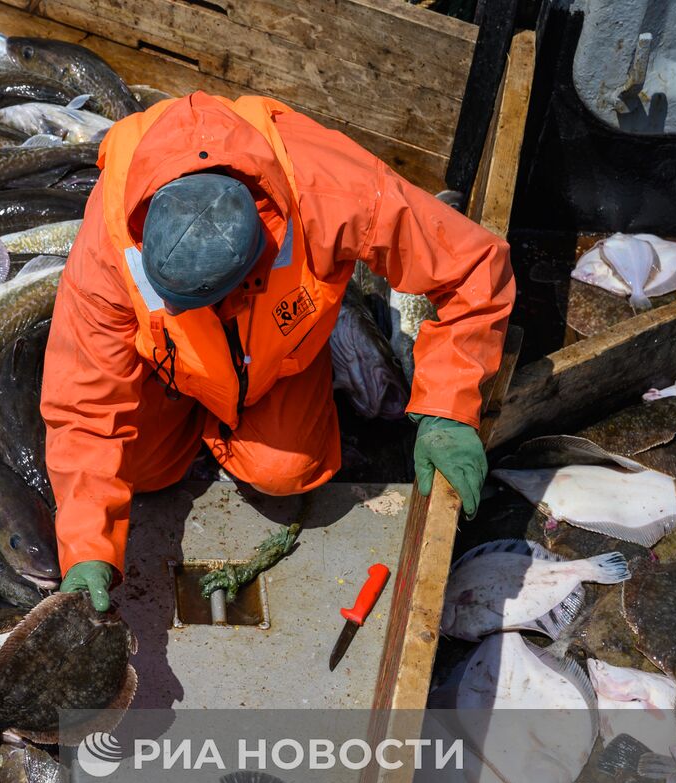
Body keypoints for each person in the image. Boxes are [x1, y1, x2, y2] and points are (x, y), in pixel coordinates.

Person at [41, 92, 514, 612]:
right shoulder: (105, 249)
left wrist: (448, 409)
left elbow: (472, 268)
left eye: (217, 302)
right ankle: (196, 420)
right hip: (172, 370)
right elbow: (84, 409)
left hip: (278, 357)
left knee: (286, 473)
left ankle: (262, 406)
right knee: (136, 475)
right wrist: (86, 552)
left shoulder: (333, 190)